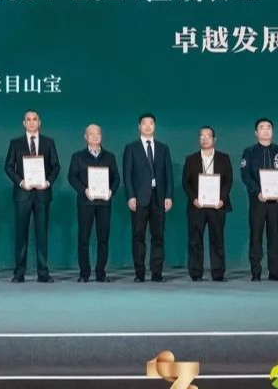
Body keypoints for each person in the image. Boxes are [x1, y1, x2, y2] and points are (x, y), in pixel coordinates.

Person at [4, 109, 60, 283]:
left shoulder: (49, 142)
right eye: (28, 119)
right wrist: (21, 182)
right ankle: (19, 272)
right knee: (21, 234)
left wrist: (47, 182)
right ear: (24, 123)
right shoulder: (15, 143)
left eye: (35, 119)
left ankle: (43, 272)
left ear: (39, 122)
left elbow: (56, 166)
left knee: (42, 234)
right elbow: (8, 167)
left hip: (43, 194)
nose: (32, 122)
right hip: (22, 194)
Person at [122, 113, 173, 282]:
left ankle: (157, 273)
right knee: (138, 236)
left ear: (155, 126)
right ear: (139, 127)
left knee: (158, 236)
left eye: (151, 123)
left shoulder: (163, 148)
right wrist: (130, 196)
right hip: (139, 198)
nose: (148, 126)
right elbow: (127, 175)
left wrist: (169, 195)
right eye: (144, 123)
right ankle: (139, 273)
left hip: (159, 197)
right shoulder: (131, 148)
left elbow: (168, 174)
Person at [240, 118, 278, 281]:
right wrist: (257, 192)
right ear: (256, 133)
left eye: (269, 127)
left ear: (272, 131)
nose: (265, 130)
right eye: (261, 128)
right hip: (258, 201)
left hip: (276, 201)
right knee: (256, 236)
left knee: (274, 236)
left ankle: (274, 271)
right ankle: (256, 272)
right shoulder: (249, 152)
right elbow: (245, 175)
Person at [67, 124, 120, 282]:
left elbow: (116, 178)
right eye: (91, 134)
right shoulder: (78, 157)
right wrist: (84, 190)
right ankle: (84, 273)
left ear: (101, 136)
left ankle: (100, 273)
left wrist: (111, 191)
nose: (95, 137)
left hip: (104, 203)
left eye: (98, 134)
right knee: (84, 238)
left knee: (103, 239)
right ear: (85, 137)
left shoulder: (110, 157)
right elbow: (72, 177)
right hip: (86, 203)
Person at [181, 126, 233, 282]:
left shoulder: (224, 158)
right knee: (195, 240)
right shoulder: (191, 159)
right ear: (199, 139)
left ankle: (218, 273)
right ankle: (195, 273)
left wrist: (222, 199)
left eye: (208, 136)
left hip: (217, 206)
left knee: (217, 239)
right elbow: (185, 183)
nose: (205, 139)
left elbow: (228, 181)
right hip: (197, 206)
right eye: (202, 136)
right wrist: (193, 199)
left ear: (214, 139)